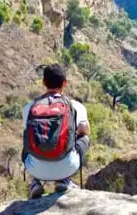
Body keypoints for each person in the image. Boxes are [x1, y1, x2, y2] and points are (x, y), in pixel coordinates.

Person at [22, 64, 90, 199]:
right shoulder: (75, 106)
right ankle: (64, 180)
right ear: (64, 83)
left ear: (43, 83)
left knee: (27, 140)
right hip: (67, 167)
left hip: (35, 168)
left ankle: (35, 183)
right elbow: (85, 130)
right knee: (85, 137)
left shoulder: (30, 107)